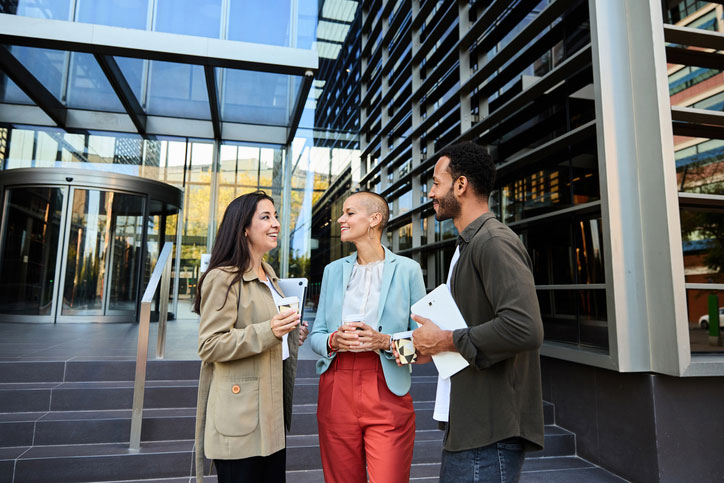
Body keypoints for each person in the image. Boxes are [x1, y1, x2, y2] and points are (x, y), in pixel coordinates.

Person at [409, 142, 544, 483]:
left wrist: (445, 339)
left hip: (490, 432)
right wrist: (433, 346)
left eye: (436, 183)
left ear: (461, 185)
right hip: (471, 423)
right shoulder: (467, 245)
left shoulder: (493, 241)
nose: (430, 193)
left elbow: (525, 328)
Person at [309, 191, 427, 483]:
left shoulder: (408, 271)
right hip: (336, 385)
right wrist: (332, 341)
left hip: (387, 385)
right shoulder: (333, 271)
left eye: (349, 213)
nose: (341, 219)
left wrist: (384, 342)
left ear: (374, 219)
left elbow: (425, 344)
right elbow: (317, 334)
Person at [193, 191, 309, 483]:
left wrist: (290, 333)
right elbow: (210, 345)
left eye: (277, 217)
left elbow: (269, 331)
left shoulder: (270, 275)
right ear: (244, 227)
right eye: (266, 217)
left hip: (272, 417)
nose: (276, 224)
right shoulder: (222, 277)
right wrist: (270, 331)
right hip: (239, 420)